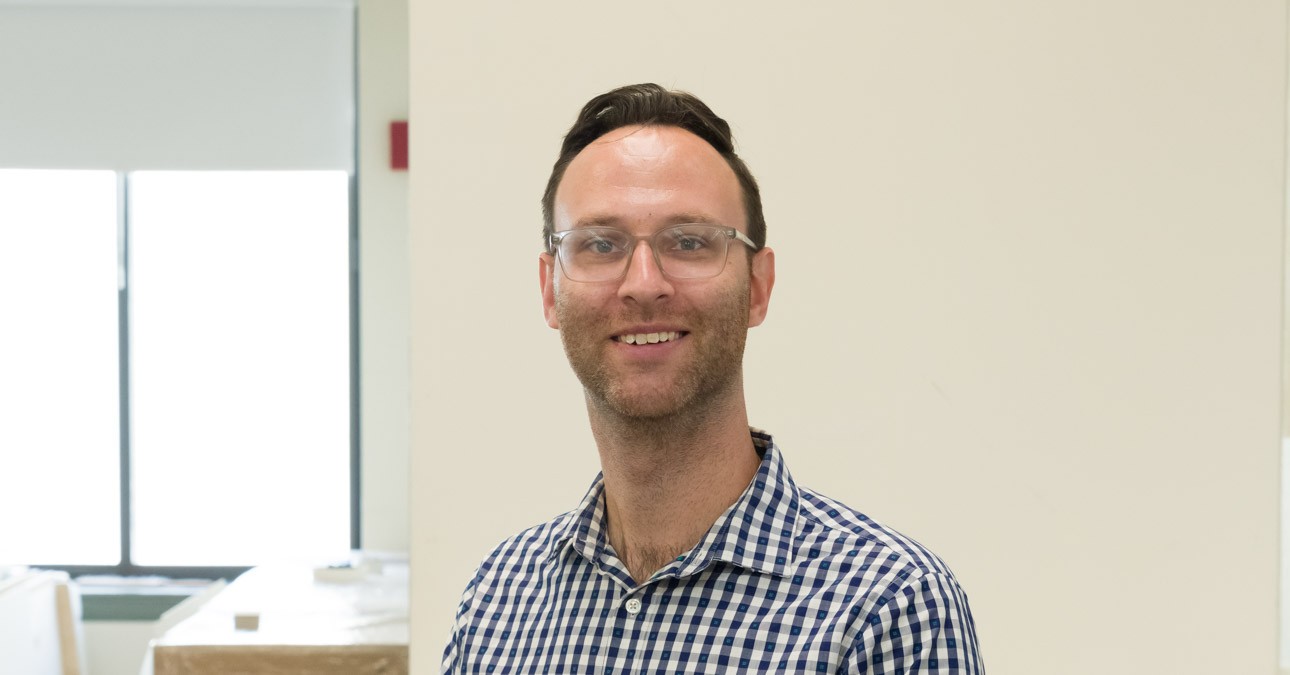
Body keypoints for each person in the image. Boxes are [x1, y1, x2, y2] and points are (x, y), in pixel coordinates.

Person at [442, 83, 983, 673]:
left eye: (690, 242)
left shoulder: (887, 610)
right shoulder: (498, 604)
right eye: (600, 244)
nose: (643, 282)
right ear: (550, 290)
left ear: (757, 286)